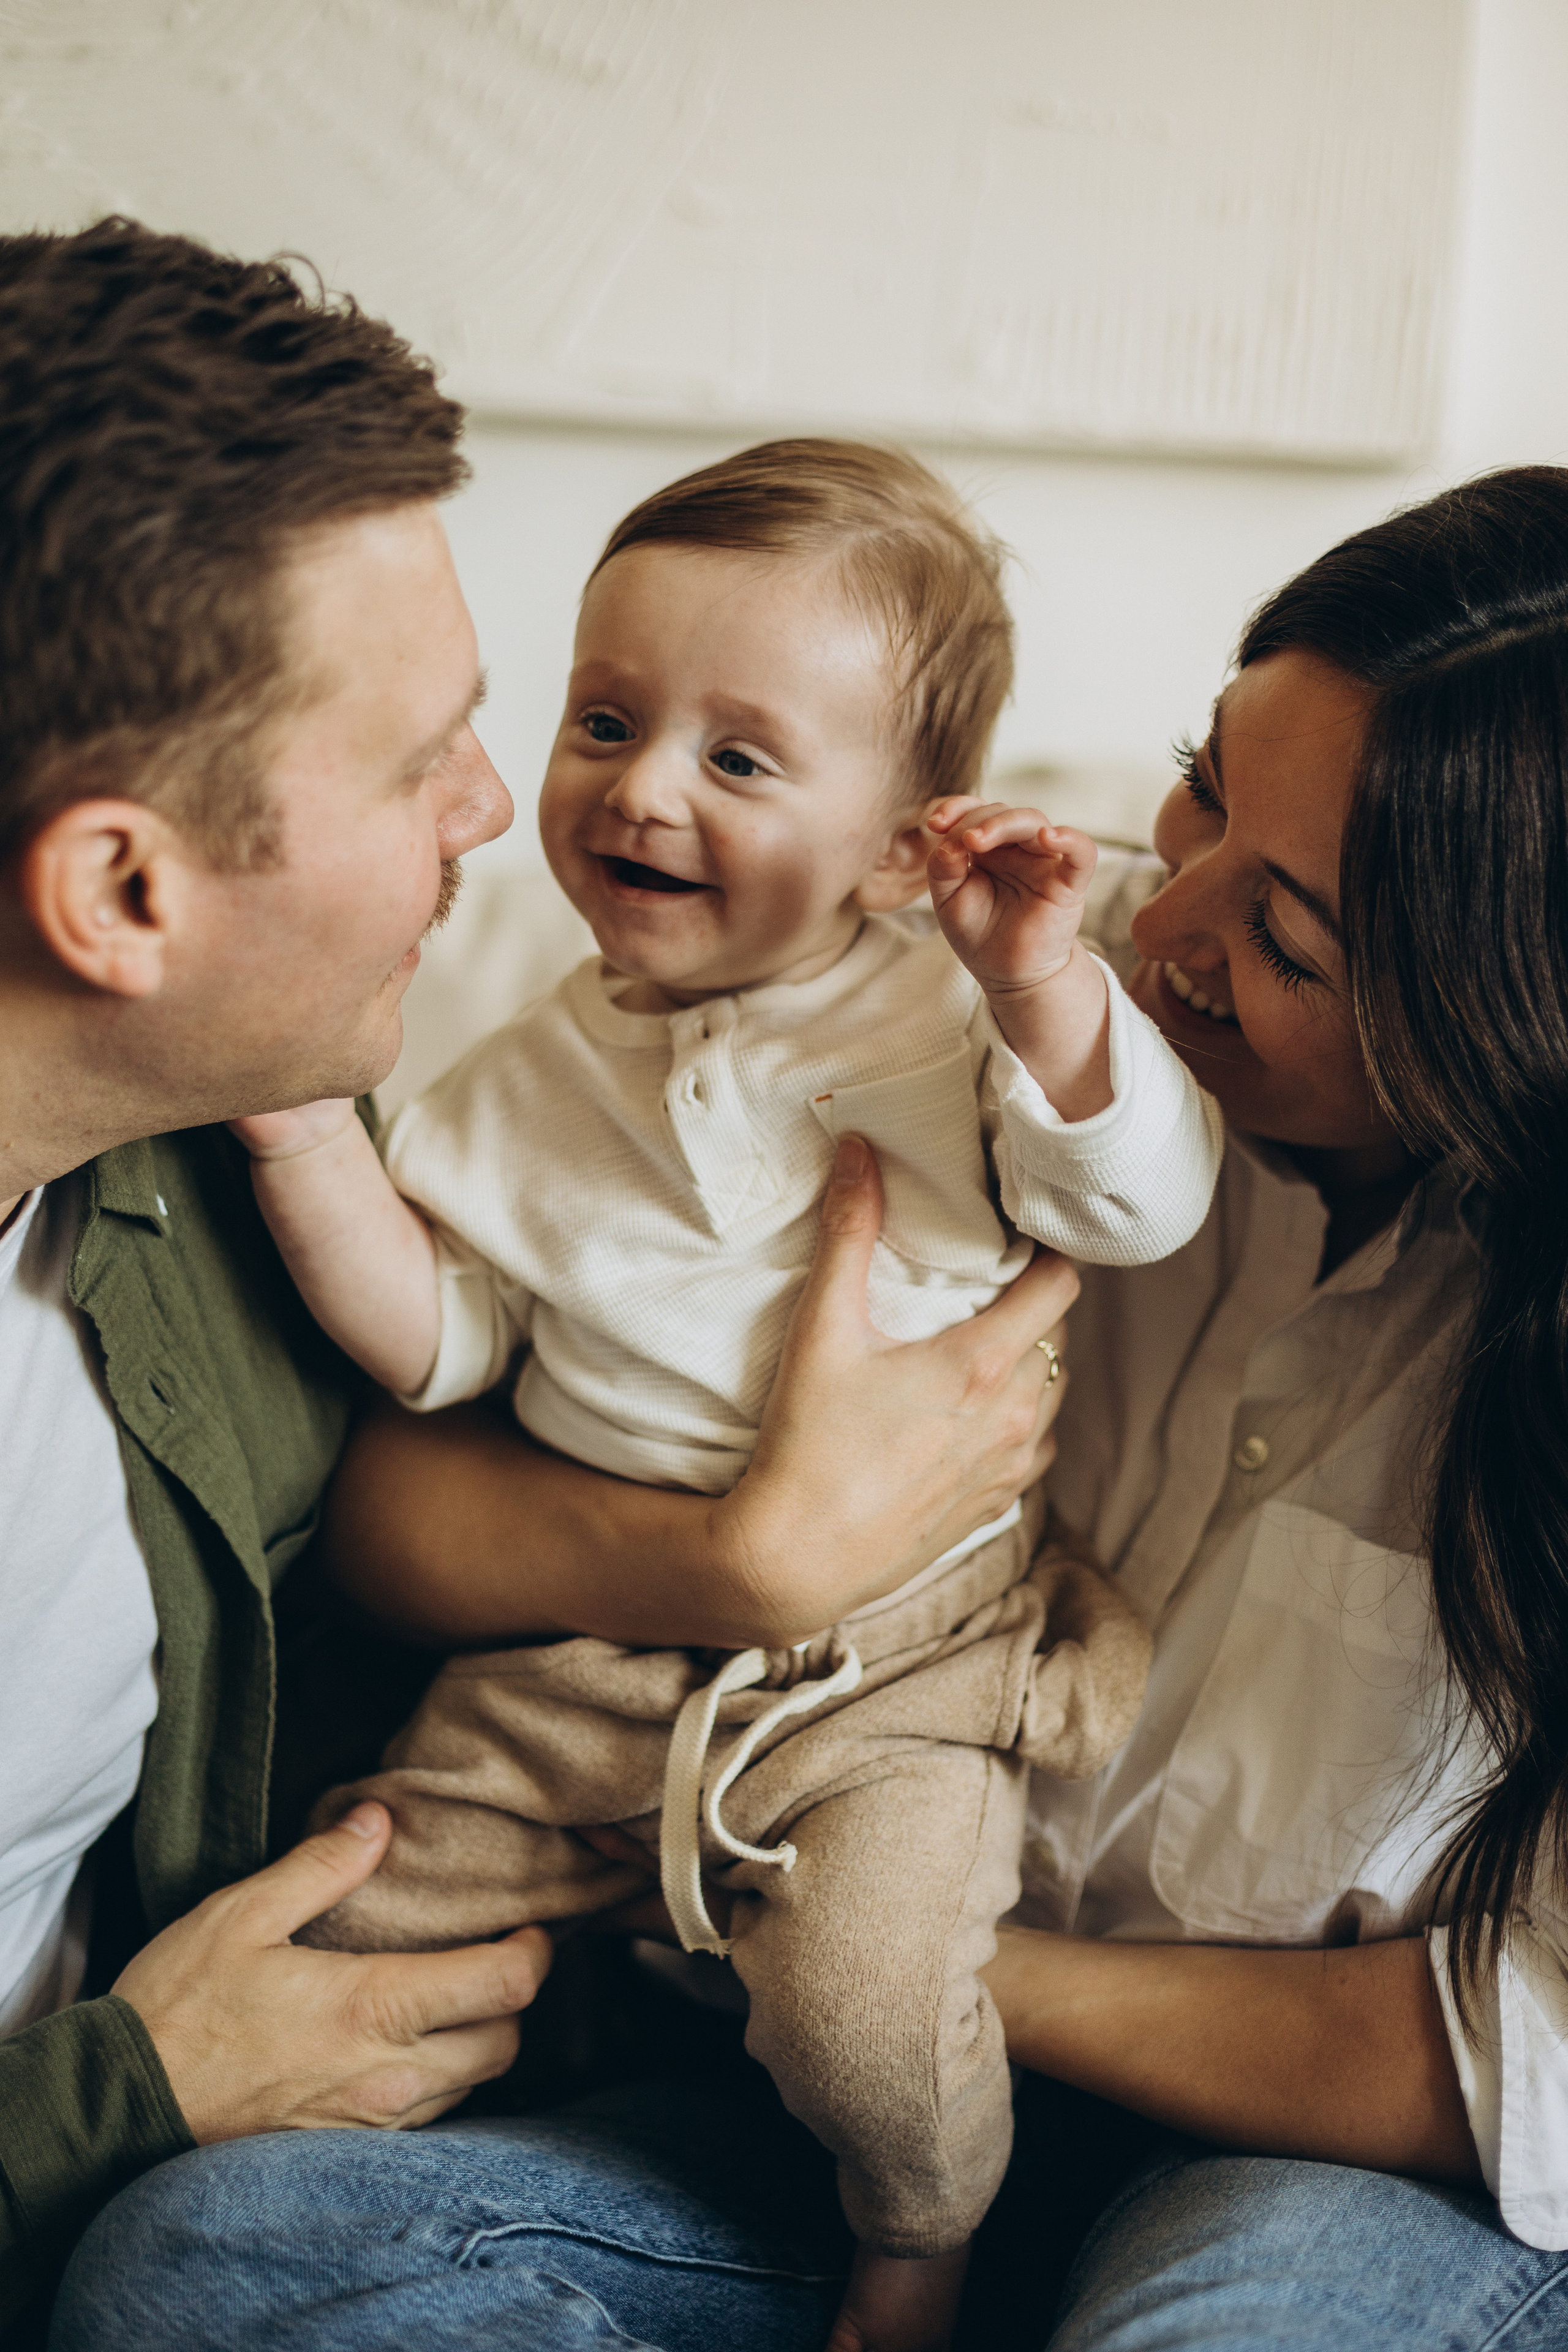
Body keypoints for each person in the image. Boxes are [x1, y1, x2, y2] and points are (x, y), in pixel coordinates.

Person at [55, 467, 1568, 2351]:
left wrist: (892, 1970)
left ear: (1508, 1027)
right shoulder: (880, 931)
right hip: (749, 2058)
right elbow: (389, 1477)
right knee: (221, 2261)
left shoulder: (1037, 1051)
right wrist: (742, 1561)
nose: (1158, 911)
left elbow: (1530, 2057)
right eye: (1202, 780)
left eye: (1293, 941)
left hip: (1292, 2164)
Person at [0, 221, 1075, 2345]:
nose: (510, 817)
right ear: (124, 890)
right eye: (432, 761)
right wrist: (114, 2100)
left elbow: (393, 1490)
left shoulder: (190, 1175)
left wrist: (754, 1562)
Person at [223, 440, 1218, 2350]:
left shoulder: (946, 1023)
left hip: (896, 1676)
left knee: (872, 2005)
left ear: (901, 837)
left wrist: (1038, 980)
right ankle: (439, 2185)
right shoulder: (519, 1071)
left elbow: (1140, 1198)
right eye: (605, 718)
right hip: (582, 1655)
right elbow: (443, 1341)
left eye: (740, 758)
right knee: (350, 1898)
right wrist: (297, 1140)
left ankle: (922, 2244)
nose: (643, 787)